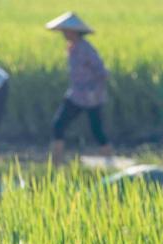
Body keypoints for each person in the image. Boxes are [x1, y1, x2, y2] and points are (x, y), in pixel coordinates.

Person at [46, 12, 112, 164]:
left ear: (74, 32)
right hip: (77, 94)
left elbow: (102, 72)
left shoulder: (85, 48)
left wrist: (93, 89)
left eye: (66, 31)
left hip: (90, 95)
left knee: (96, 130)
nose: (64, 34)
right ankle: (56, 162)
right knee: (59, 125)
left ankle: (109, 160)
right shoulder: (73, 47)